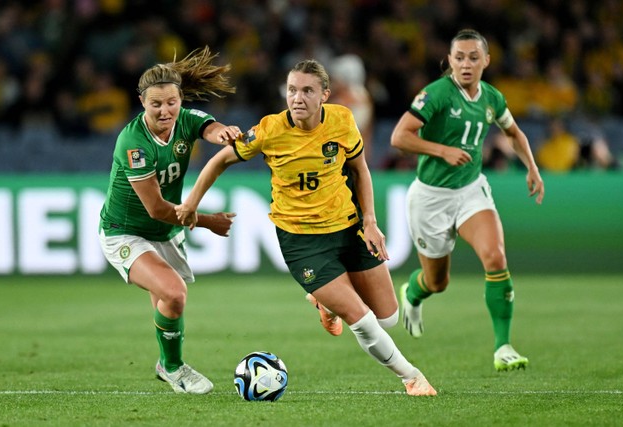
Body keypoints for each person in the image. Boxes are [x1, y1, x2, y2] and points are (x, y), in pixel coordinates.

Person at [176, 59, 437, 396]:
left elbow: (361, 170)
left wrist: (370, 221)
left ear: (324, 95)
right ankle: (412, 377)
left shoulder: (343, 120)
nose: (297, 98)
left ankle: (325, 302)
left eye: (307, 91)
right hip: (303, 242)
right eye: (292, 90)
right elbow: (219, 160)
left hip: (349, 227)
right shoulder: (268, 130)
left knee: (387, 317)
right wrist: (192, 203)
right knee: (363, 320)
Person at [390, 29, 545, 372]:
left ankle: (502, 346)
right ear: (450, 61)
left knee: (495, 256)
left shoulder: (492, 98)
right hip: (430, 198)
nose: (466, 64)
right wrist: (441, 150)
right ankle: (413, 294)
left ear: (486, 61)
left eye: (473, 57)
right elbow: (399, 136)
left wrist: (532, 167)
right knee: (437, 282)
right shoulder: (436, 94)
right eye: (459, 57)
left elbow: (514, 133)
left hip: (471, 190)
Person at [98, 46, 241, 394]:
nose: (165, 111)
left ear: (180, 99)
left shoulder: (184, 120)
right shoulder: (134, 143)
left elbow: (206, 125)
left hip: (165, 233)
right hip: (125, 233)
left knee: (169, 301)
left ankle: (166, 364)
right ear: (141, 102)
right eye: (156, 104)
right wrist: (208, 221)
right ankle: (174, 367)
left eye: (172, 102)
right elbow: (158, 209)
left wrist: (222, 133)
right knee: (174, 293)